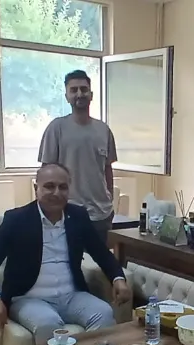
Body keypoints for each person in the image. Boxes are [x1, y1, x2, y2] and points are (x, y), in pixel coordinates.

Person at [0, 164, 132, 345]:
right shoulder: (17, 220)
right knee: (48, 324)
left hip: (72, 296)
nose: (57, 193)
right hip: (29, 298)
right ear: (36, 188)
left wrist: (118, 278)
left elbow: (101, 253)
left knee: (103, 313)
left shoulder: (78, 216)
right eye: (49, 186)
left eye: (63, 187)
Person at [38, 70, 118, 244]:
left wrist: (109, 199)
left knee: (100, 261)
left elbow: (107, 169)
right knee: (68, 260)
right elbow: (46, 173)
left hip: (101, 216)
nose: (80, 94)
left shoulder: (103, 130)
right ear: (67, 96)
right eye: (74, 90)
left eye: (84, 89)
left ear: (91, 95)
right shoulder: (56, 128)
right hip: (67, 213)